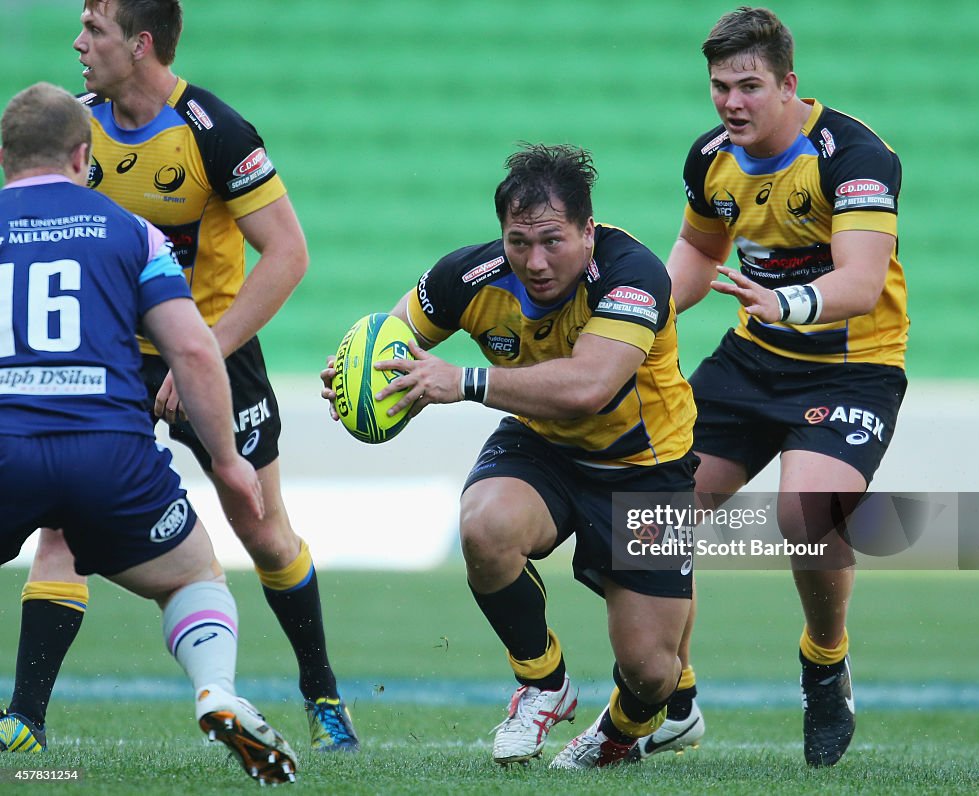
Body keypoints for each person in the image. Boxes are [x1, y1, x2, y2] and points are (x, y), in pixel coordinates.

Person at [3, 0, 358, 754]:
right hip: (107, 356)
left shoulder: (214, 131)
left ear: (139, 44)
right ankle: (27, 719)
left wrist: (206, 343)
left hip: (211, 346)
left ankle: (322, 694)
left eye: (94, 29)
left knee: (262, 529)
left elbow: (287, 254)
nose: (79, 42)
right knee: (63, 525)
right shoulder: (77, 126)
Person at [321, 143, 704, 769]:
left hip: (644, 469)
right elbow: (393, 346)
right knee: (484, 525)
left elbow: (588, 387)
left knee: (652, 673)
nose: (535, 261)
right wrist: (360, 381)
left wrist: (464, 382)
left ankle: (617, 733)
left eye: (552, 240)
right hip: (543, 445)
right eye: (518, 243)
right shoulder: (467, 278)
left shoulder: (634, 275)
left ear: (587, 231)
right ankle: (543, 685)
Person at [644, 6, 909, 767]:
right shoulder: (712, 157)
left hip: (854, 364)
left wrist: (787, 302)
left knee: (804, 514)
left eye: (750, 86)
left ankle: (825, 662)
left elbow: (860, 283)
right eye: (721, 86)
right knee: (654, 513)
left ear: (789, 85)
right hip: (753, 360)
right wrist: (632, 322)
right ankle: (674, 698)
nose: (732, 102)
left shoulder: (853, 155)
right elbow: (697, 251)